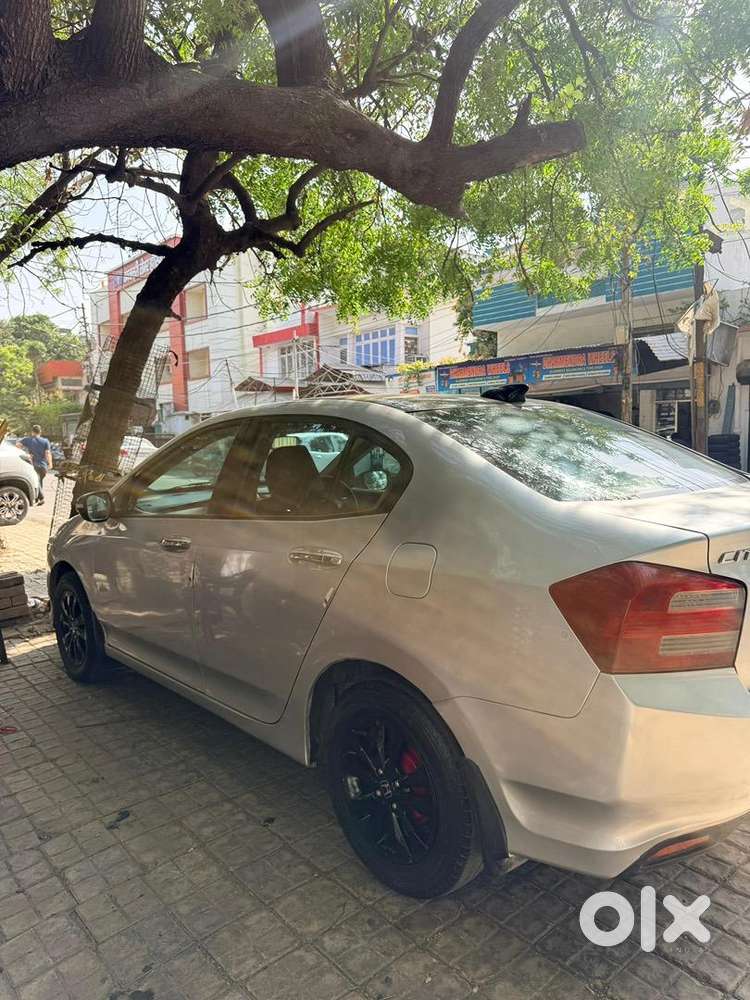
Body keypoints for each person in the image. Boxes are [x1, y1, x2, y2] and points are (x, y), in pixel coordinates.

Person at [18, 424, 52, 504]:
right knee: (39, 481)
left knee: (37, 481)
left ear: (32, 432)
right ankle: (37, 498)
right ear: (40, 432)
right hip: (44, 466)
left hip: (33, 465)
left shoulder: (28, 440)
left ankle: (41, 498)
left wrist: (26, 453)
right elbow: (47, 453)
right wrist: (50, 463)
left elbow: (17, 445)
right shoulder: (45, 441)